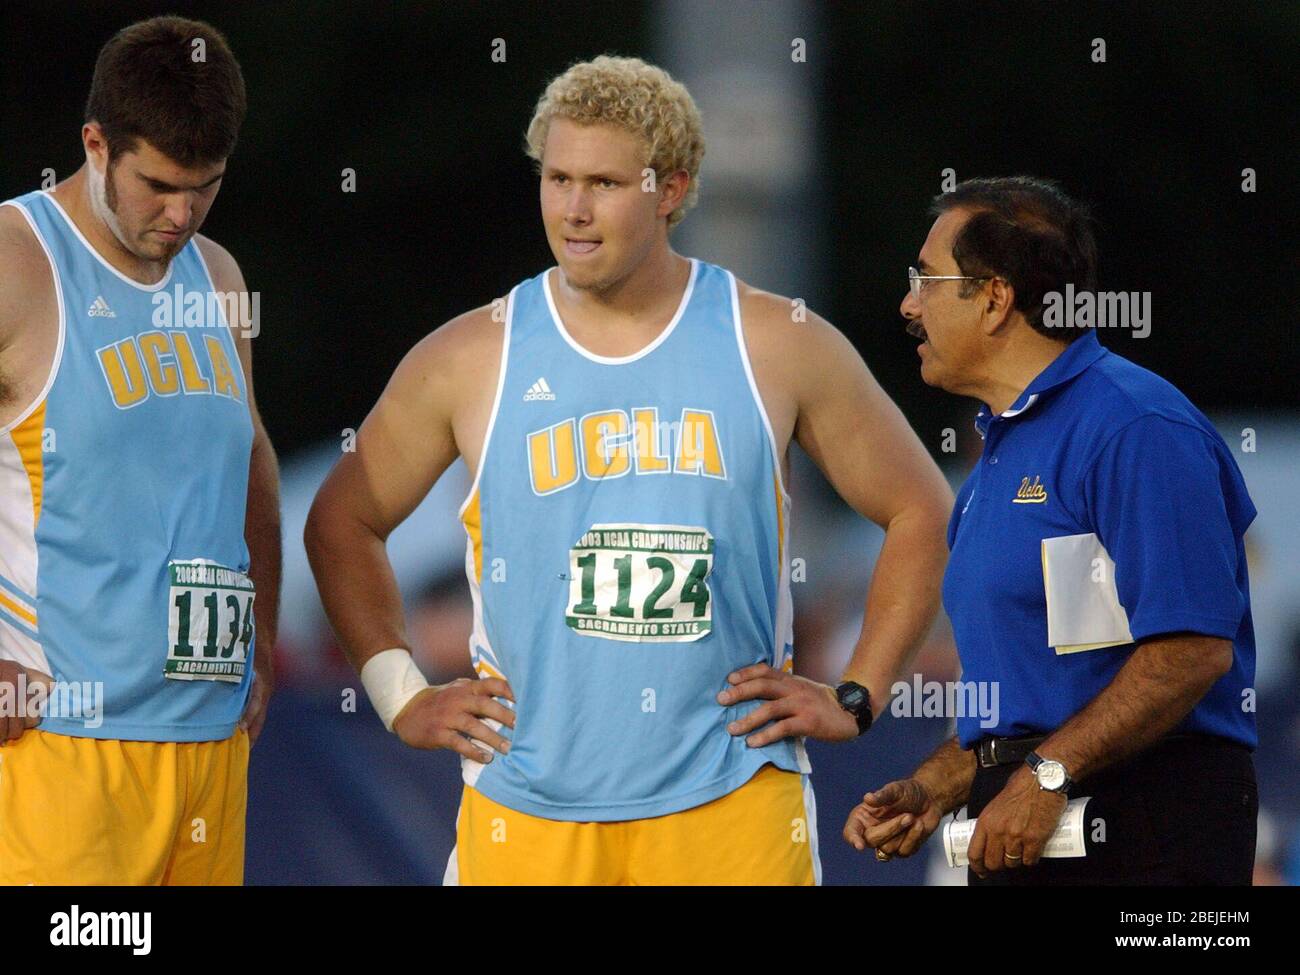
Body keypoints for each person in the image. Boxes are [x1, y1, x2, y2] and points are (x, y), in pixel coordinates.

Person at [305, 56, 951, 886]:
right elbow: (342, 520)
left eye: (604, 183)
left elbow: (920, 510)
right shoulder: (472, 354)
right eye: (558, 178)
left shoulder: (776, 340)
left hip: (730, 804)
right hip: (526, 808)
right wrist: (399, 691)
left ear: (672, 189)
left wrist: (858, 693)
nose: (574, 209)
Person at [843, 176, 1258, 885]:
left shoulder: (1135, 427)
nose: (909, 304)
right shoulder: (997, 458)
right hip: (1028, 823)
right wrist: (939, 785)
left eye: (927, 279)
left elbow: (1192, 650)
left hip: (1148, 827)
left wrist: (1045, 775)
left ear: (996, 297)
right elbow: (1037, 695)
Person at [0, 16, 281, 885]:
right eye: (158, 184)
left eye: (206, 187)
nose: (181, 213)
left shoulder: (221, 277)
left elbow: (255, 467)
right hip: (63, 746)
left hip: (207, 743)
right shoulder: (19, 262)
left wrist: (264, 640)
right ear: (95, 144)